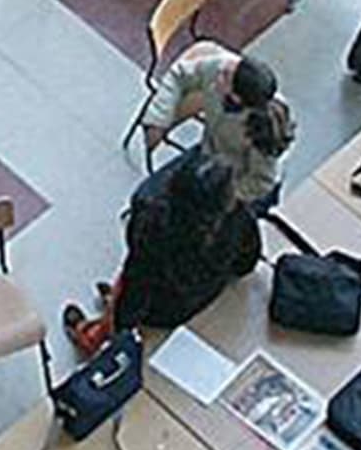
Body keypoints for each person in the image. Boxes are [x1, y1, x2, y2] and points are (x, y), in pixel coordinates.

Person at [67, 149, 261, 353]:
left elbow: (135, 290)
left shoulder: (153, 226)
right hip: (203, 295)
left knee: (128, 280)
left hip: (161, 312)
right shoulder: (240, 216)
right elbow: (247, 262)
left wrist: (120, 326)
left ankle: (95, 335)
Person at [141, 43, 289, 202]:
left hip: (239, 188)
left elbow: (260, 183)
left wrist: (220, 197)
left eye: (225, 77)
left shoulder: (266, 128)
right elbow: (180, 74)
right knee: (144, 196)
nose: (219, 71)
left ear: (236, 97)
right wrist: (158, 118)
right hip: (209, 155)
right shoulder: (224, 66)